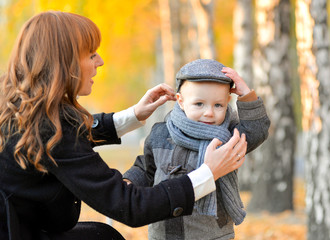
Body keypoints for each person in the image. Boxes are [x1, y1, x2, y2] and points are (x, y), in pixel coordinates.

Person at [0, 12, 249, 240]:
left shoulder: (15, 102)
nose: (100, 61)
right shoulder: (51, 126)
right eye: (91, 54)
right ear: (65, 62)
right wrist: (208, 173)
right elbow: (129, 206)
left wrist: (134, 115)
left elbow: (71, 136)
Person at [123, 59, 271, 240]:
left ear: (227, 103)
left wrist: (246, 95)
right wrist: (129, 181)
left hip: (212, 234)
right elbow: (146, 168)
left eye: (218, 105)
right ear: (181, 101)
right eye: (199, 104)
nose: (209, 112)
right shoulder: (161, 133)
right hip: (162, 232)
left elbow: (256, 131)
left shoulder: (226, 137)